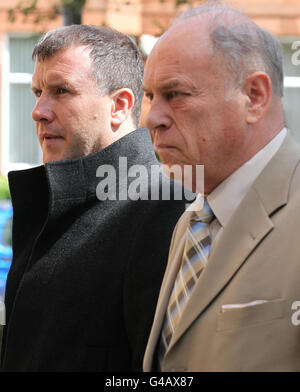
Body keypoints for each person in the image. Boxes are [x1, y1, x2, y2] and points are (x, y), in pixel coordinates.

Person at [0, 25, 187, 372]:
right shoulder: (53, 204)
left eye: (61, 91)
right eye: (38, 91)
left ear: (119, 106)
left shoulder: (166, 209)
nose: (38, 110)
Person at [143, 2, 300, 372]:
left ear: (255, 97)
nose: (152, 118)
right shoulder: (193, 221)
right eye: (150, 96)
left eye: (175, 94)